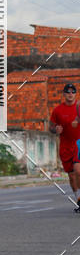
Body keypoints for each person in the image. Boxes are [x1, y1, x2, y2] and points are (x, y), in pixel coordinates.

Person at [49, 83, 80, 212]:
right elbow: (50, 127)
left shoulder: (79, 107)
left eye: (73, 92)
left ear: (75, 94)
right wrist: (55, 129)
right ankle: (78, 199)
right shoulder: (57, 110)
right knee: (72, 176)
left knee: (78, 171)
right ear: (64, 94)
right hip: (65, 146)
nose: (70, 94)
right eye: (68, 92)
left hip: (78, 144)